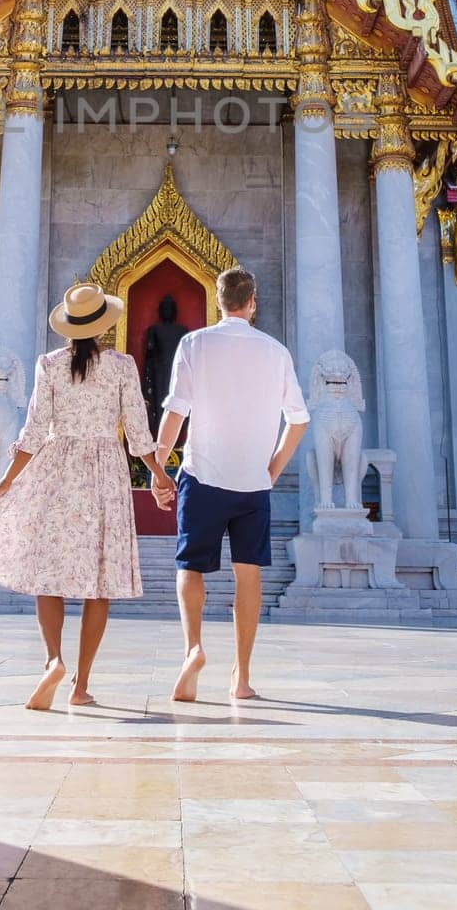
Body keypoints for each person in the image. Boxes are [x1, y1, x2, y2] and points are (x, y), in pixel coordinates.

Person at [0, 281, 177, 712]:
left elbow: (34, 432)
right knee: (98, 585)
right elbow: (137, 433)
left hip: (57, 468)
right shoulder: (121, 366)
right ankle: (80, 686)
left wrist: (3, 484)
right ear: (102, 326)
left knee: (49, 573)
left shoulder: (50, 364)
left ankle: (53, 660)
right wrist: (160, 476)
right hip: (104, 472)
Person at [156, 266, 309, 703]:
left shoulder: (194, 343)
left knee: (189, 567)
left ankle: (194, 648)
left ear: (218, 300)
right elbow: (298, 421)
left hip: (202, 476)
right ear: (252, 301)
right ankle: (241, 679)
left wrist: (158, 466)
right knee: (249, 576)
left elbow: (176, 411)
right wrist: (272, 471)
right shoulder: (276, 352)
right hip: (252, 485)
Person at [142, 292, 188, 436]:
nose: (167, 310)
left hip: (176, 370)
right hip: (159, 372)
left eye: (170, 308)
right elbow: (149, 354)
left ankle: (174, 438)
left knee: (176, 402)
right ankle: (160, 436)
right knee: (159, 402)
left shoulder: (183, 330)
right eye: (165, 308)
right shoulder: (154, 329)